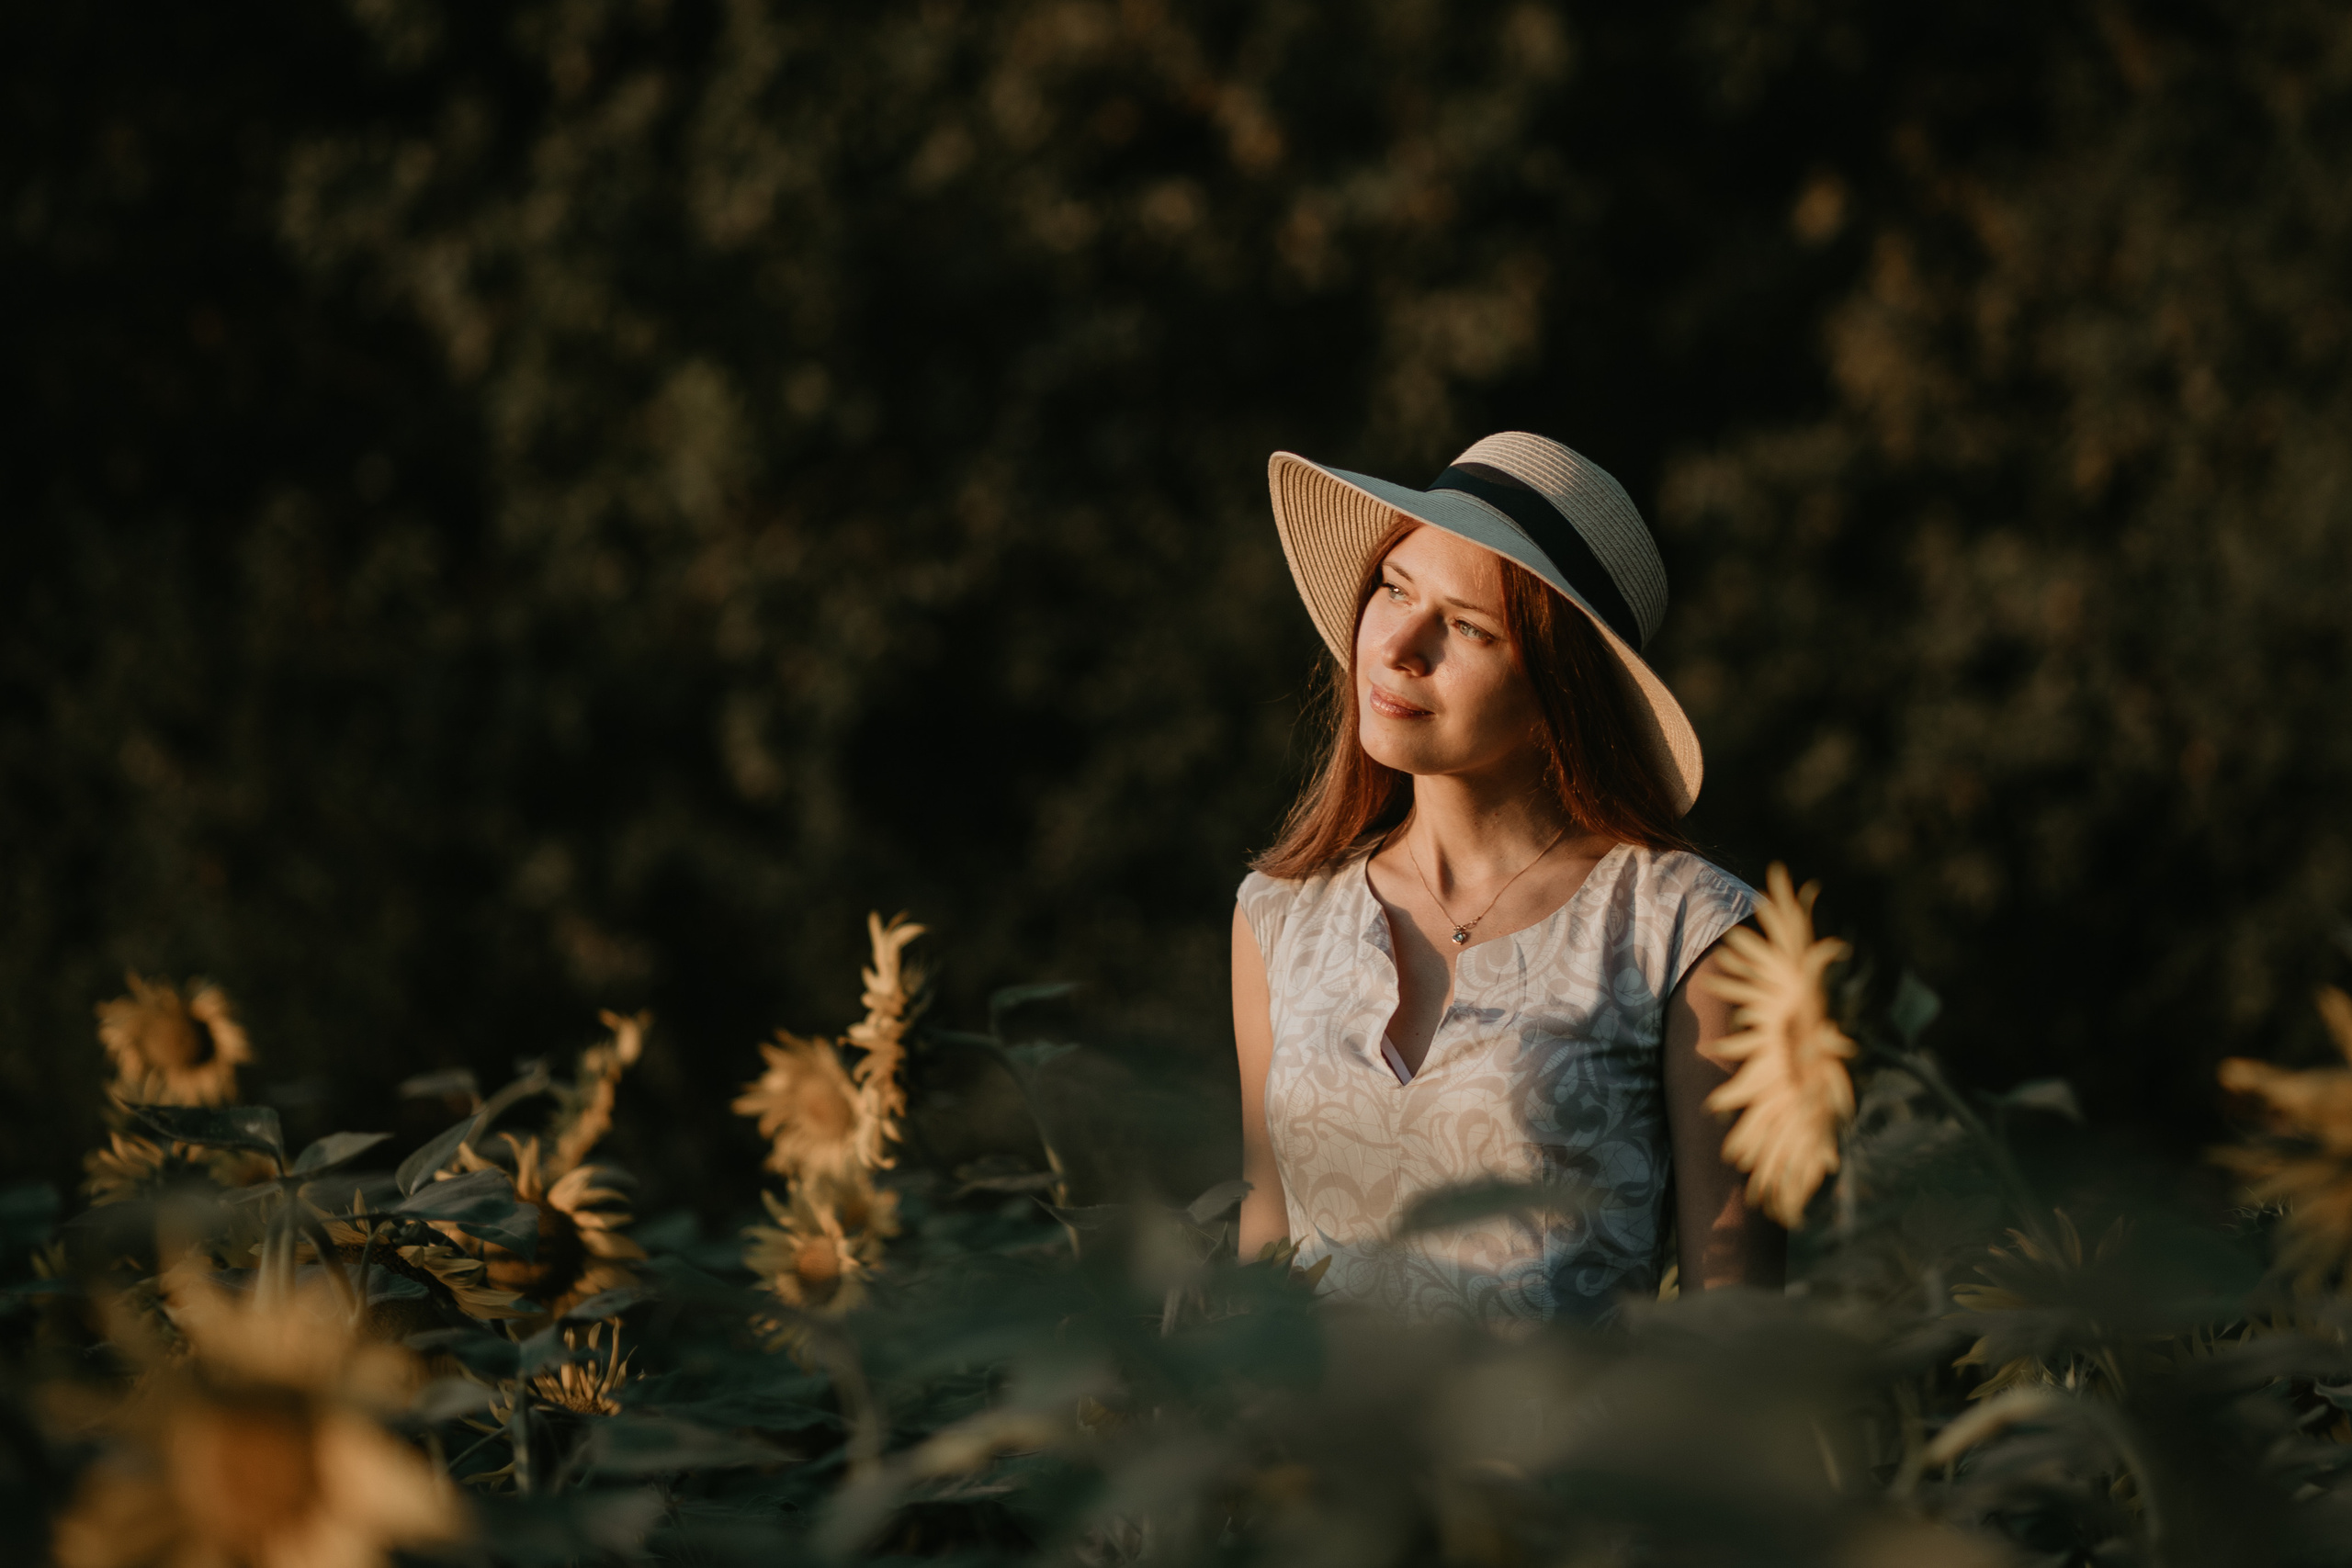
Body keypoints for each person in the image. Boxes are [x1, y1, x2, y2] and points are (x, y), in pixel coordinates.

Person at [1232, 431, 1783, 1326]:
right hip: (1313, 1463)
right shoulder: (1278, 914)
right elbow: (1264, 1258)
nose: (1400, 644)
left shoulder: (1690, 931)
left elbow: (1739, 1321)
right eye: (1394, 588)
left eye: (1467, 626)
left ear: (1559, 692)